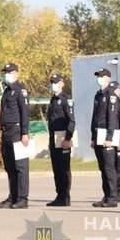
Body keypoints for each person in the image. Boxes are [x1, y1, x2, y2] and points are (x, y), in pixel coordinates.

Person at [0, 63, 31, 209]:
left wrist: (25, 133)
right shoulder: (6, 91)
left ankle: (22, 198)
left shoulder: (20, 90)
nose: (7, 75)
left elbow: (25, 112)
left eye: (9, 72)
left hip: (17, 132)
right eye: (5, 72)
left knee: (20, 167)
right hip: (6, 132)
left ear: (16, 73)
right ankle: (13, 196)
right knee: (10, 166)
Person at [90, 68, 118, 207]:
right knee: (103, 168)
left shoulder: (111, 95)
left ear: (108, 78)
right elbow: (95, 117)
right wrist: (93, 137)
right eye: (98, 76)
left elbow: (112, 118)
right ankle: (106, 196)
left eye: (101, 76)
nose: (99, 79)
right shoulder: (98, 95)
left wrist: (109, 137)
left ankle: (113, 197)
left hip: (106, 136)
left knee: (109, 167)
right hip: (98, 135)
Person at [46, 73, 75, 207]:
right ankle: (59, 195)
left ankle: (65, 196)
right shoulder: (53, 99)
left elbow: (71, 121)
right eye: (52, 82)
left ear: (62, 84)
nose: (53, 85)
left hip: (63, 138)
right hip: (54, 138)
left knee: (64, 169)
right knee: (56, 169)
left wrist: (68, 139)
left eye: (56, 82)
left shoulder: (65, 99)